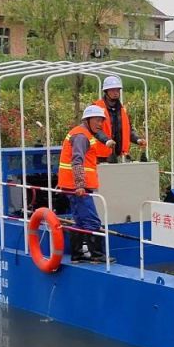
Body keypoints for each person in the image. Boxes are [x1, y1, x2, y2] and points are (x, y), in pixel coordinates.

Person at [58, 105, 115, 262]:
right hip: (77, 188)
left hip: (71, 186)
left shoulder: (83, 133)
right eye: (97, 120)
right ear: (88, 120)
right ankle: (97, 255)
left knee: (80, 221)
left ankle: (77, 255)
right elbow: (77, 161)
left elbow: (100, 135)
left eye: (102, 121)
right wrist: (80, 185)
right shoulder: (82, 136)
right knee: (91, 220)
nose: (100, 124)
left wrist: (108, 141)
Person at [92, 75, 147, 161]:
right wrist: (106, 141)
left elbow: (127, 130)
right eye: (112, 90)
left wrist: (137, 140)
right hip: (100, 156)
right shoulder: (96, 108)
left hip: (119, 156)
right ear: (106, 91)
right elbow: (95, 130)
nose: (116, 92)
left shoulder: (122, 110)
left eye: (117, 90)